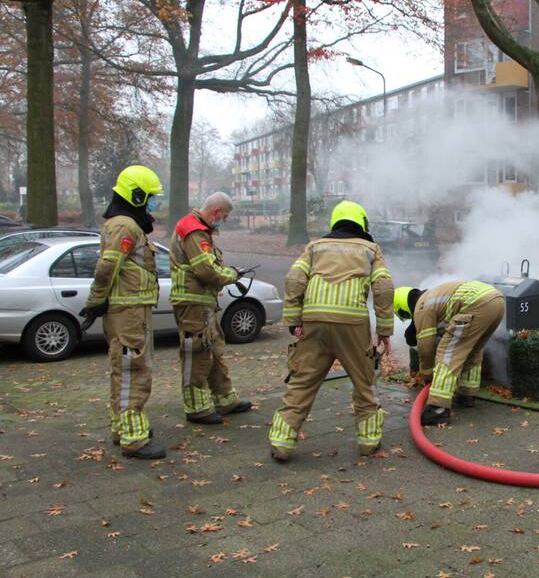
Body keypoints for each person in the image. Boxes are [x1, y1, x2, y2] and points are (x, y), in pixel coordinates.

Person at [268, 201, 393, 462]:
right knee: (363, 382)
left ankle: (281, 443)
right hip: (352, 324)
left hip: (314, 321)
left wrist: (294, 320)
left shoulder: (315, 247)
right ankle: (369, 443)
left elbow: (294, 279)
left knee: (302, 381)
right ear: (362, 223)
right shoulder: (371, 249)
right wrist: (384, 330)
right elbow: (383, 287)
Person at [79, 165, 166, 459]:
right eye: (152, 197)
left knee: (124, 367)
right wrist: (95, 301)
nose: (155, 203)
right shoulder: (125, 226)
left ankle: (123, 427)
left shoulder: (125, 224)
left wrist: (98, 302)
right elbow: (107, 268)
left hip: (131, 309)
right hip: (129, 311)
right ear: (137, 195)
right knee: (134, 370)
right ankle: (134, 436)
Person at [169, 192, 253, 424]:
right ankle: (196, 408)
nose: (223, 221)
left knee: (213, 349)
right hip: (192, 303)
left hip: (201, 302)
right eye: (224, 217)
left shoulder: (198, 229)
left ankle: (226, 399)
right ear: (216, 211)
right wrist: (232, 275)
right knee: (196, 353)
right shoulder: (194, 231)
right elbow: (206, 270)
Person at [393, 281, 505, 425]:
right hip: (497, 301)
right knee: (472, 350)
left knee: (449, 352)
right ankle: (467, 395)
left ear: (402, 309)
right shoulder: (432, 295)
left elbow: (426, 347)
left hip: (476, 304)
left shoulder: (422, 306)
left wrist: (428, 377)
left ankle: (438, 408)